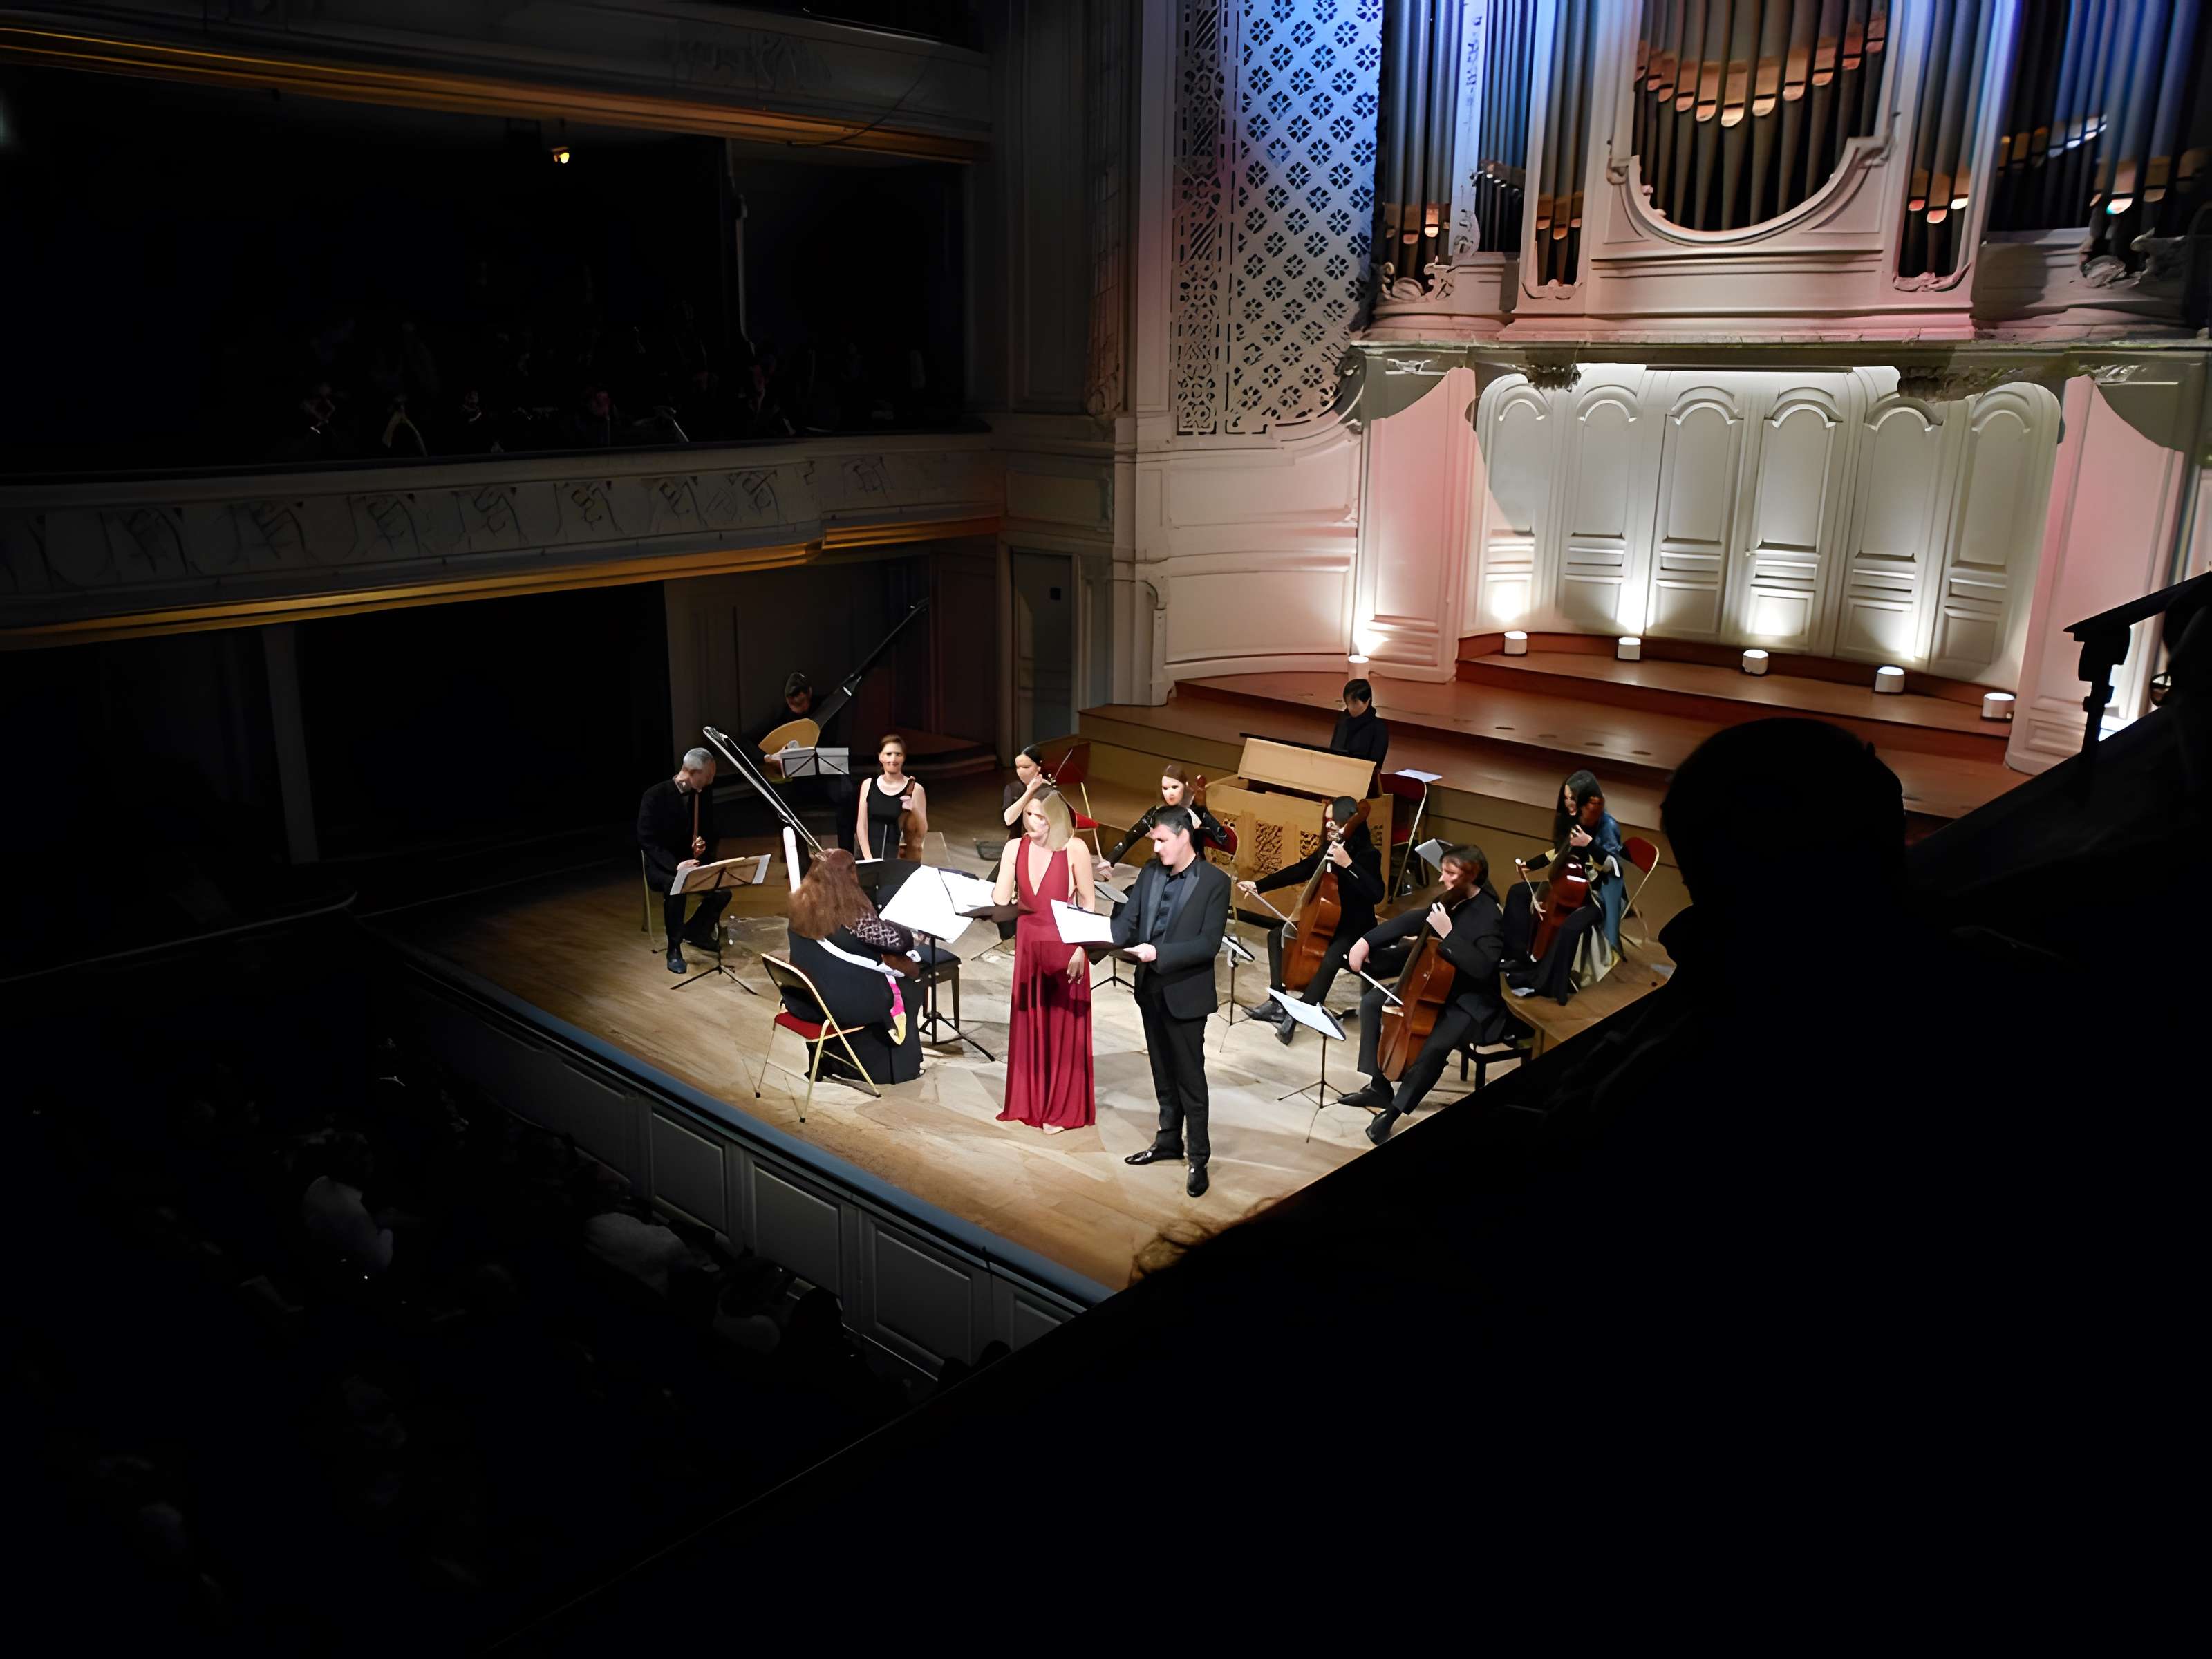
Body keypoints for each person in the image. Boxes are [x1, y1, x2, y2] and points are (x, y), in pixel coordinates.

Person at [1336, 844, 1521, 1142]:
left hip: (1470, 1001)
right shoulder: (1453, 898)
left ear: (1470, 876)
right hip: (1435, 985)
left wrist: (1450, 935)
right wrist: (1366, 941)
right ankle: (1379, 1085)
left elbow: (1484, 968)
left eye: (1449, 873)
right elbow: (1416, 918)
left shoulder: (1489, 916)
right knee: (1372, 1004)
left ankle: (1394, 1111)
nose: (1442, 879)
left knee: (1436, 1045)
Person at [1113, 807, 1233, 1197]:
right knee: (1162, 1072)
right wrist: (1090, 939)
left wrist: (1156, 955)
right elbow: (1127, 923)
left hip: (1186, 994)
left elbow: (1207, 944)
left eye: (1162, 839)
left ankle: (1199, 1156)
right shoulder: (1149, 872)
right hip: (1150, 990)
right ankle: (1168, 1141)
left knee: (1190, 1080)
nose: (1156, 845)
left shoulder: (1215, 882)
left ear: (1185, 837)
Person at [1236, 796, 1385, 1045]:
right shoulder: (1329, 847)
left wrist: (1347, 865)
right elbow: (1302, 869)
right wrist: (1259, 885)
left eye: (1333, 821)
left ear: (1349, 822)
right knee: (1278, 935)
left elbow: (1376, 894)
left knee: (1333, 955)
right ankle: (1277, 1001)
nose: (1328, 826)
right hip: (1327, 923)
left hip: (1355, 927)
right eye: (1326, 821)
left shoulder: (1368, 854)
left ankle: (1301, 1011)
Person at [993, 791, 1097, 1133]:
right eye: (1029, 816)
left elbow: (1088, 904)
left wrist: (1083, 949)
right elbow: (1000, 898)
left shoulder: (1074, 848)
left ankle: (1061, 1109)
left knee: (1062, 1028)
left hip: (1065, 944)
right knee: (1031, 1022)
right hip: (1028, 945)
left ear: (1055, 818)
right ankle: (1031, 1101)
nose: (1033, 823)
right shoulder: (1015, 848)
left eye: (1040, 817)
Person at [783, 849, 921, 1084]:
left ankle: (832, 1059)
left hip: (806, 999)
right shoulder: (851, 914)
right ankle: (900, 1070)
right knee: (910, 986)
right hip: (844, 1004)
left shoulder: (801, 903)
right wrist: (903, 927)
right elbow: (898, 941)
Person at [1501, 769, 1626, 1002]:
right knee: (1518, 893)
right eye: (1566, 797)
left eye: (1574, 798)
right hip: (1572, 884)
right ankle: (1518, 957)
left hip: (1600, 893)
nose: (1569, 803)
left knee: (1569, 927)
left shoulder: (1607, 825)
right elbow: (1561, 850)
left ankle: (1548, 983)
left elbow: (1613, 867)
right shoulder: (1575, 818)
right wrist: (1532, 864)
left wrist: (1589, 844)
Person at [638, 747, 728, 975]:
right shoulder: (655, 796)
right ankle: (674, 948)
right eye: (707, 776)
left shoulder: (701, 794)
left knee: (723, 890)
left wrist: (701, 846)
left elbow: (708, 832)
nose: (710, 782)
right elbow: (647, 841)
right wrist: (676, 866)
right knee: (676, 887)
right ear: (693, 772)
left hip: (689, 861)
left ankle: (697, 931)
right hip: (663, 865)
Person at [1103, 763, 1230, 865]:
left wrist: (1203, 809)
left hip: (1190, 874)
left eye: (1175, 787)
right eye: (1165, 788)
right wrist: (1109, 862)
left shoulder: (1196, 813)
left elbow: (1223, 839)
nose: (1170, 793)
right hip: (1161, 870)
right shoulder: (1155, 813)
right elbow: (1128, 840)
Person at [856, 733, 928, 863]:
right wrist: (869, 860)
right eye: (888, 754)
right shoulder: (868, 784)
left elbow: (922, 832)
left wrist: (914, 808)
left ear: (904, 757)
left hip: (897, 861)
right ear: (880, 757)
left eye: (898, 754)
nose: (893, 759)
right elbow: (861, 826)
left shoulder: (915, 789)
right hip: (867, 858)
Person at [1330, 678, 1390, 788]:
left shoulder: (1378, 728)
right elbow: (1333, 751)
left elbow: (1375, 766)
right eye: (1348, 703)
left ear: (1367, 701)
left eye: (1354, 703)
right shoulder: (1343, 721)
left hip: (1362, 784)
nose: (1350, 707)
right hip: (1337, 777)